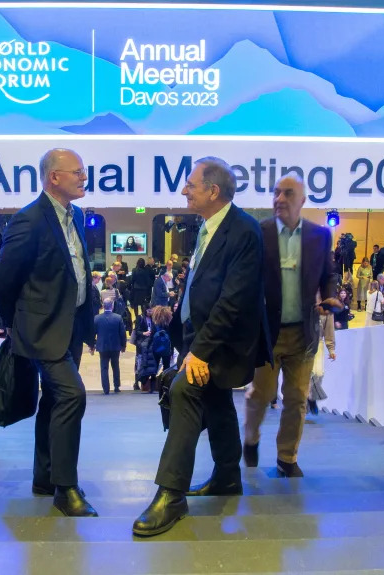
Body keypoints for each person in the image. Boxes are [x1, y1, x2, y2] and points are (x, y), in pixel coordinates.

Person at [132, 157, 270, 537]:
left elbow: (233, 301)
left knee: (184, 391)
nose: (183, 190)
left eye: (190, 184)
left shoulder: (244, 230)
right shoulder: (206, 228)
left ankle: (171, 493)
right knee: (216, 399)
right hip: (198, 336)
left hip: (222, 342)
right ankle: (227, 475)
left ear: (213, 190)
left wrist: (200, 352)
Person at [0, 148, 98, 518]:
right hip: (41, 330)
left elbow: (75, 268)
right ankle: (65, 489)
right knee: (72, 396)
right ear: (54, 177)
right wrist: (16, 324)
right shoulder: (29, 220)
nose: (84, 177)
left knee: (54, 400)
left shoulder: (78, 215)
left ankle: (45, 477)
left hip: (70, 325)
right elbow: (3, 282)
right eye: (78, 172)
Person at [242, 174, 340, 478]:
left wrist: (331, 295)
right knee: (261, 393)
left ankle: (287, 457)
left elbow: (328, 273)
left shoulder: (320, 236)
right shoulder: (260, 233)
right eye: (275, 193)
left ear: (302, 200)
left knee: (297, 398)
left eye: (287, 194)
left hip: (303, 334)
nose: (279, 199)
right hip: (268, 333)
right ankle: (251, 438)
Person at [95, 297, 127, 394]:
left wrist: (92, 344)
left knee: (104, 367)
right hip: (115, 346)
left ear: (103, 307)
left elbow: (92, 332)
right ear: (112, 306)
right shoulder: (118, 318)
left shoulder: (97, 318)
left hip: (102, 347)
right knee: (115, 366)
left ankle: (106, 389)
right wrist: (123, 345)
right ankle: (116, 386)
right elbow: (122, 333)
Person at [308, 312, 336, 416]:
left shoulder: (327, 310)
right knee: (303, 375)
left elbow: (329, 331)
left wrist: (331, 349)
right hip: (301, 343)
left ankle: (311, 399)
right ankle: (304, 403)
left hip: (317, 344)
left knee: (317, 374)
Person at [133, 305, 160, 393]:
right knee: (140, 362)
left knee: (152, 363)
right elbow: (136, 331)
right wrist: (144, 333)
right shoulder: (140, 318)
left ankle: (151, 387)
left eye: (151, 311)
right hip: (141, 344)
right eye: (149, 311)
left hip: (151, 343)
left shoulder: (154, 319)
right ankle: (137, 382)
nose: (150, 313)